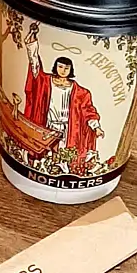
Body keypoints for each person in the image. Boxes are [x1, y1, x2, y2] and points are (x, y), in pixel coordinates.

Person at [23, 31, 102, 169]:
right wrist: (32, 44)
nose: (63, 70)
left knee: (63, 157)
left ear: (71, 70)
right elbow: (35, 66)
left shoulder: (81, 92)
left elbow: (88, 111)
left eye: (66, 68)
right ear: (56, 67)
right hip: (48, 125)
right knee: (44, 153)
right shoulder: (45, 82)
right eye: (60, 67)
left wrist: (96, 127)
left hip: (67, 129)